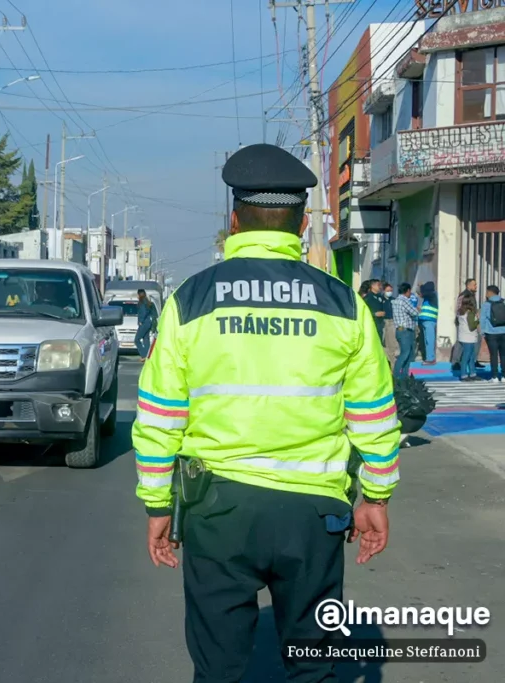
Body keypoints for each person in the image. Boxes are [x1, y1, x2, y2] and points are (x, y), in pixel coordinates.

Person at [133, 144, 399, 683]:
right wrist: (376, 494)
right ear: (302, 224)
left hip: (218, 511)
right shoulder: (343, 303)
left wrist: (157, 505)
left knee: (219, 670)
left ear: (235, 219)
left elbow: (160, 417)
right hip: (313, 516)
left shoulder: (191, 300)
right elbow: (373, 413)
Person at [391, 283, 420, 379]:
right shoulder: (404, 301)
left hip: (400, 330)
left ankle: (403, 375)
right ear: (407, 291)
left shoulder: (395, 300)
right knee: (405, 353)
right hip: (405, 331)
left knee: (409, 354)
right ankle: (398, 375)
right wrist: (417, 309)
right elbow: (415, 312)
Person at [480, 285, 505, 383]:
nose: (486, 294)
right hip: (504, 332)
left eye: (487, 292)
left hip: (491, 333)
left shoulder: (486, 304)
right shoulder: (503, 302)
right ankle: (503, 376)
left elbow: (483, 319)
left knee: (493, 355)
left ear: (490, 293)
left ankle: (494, 376)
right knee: (503, 355)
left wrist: (482, 332)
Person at [457, 291, 480, 382]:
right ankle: (464, 374)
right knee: (468, 356)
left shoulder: (460, 312)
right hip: (469, 337)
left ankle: (472, 373)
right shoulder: (470, 313)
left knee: (469, 355)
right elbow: (472, 326)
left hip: (463, 336)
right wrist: (477, 320)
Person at [417, 281, 438, 364]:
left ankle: (430, 359)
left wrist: (421, 286)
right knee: (427, 340)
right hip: (426, 321)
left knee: (429, 340)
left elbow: (423, 293)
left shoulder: (432, 294)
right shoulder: (428, 297)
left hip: (430, 321)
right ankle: (429, 357)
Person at [134, 288, 158, 362]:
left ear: (139, 295)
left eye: (137, 294)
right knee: (146, 339)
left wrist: (141, 321)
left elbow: (143, 312)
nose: (137, 296)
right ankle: (148, 355)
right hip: (149, 322)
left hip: (144, 323)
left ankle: (144, 355)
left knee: (137, 339)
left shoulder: (142, 302)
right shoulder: (148, 302)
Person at [381, 282, 398, 363]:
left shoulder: (394, 300)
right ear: (384, 291)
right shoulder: (380, 299)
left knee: (392, 344)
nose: (389, 292)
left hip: (392, 322)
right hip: (383, 322)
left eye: (391, 290)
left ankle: (392, 364)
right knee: (382, 343)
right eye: (388, 290)